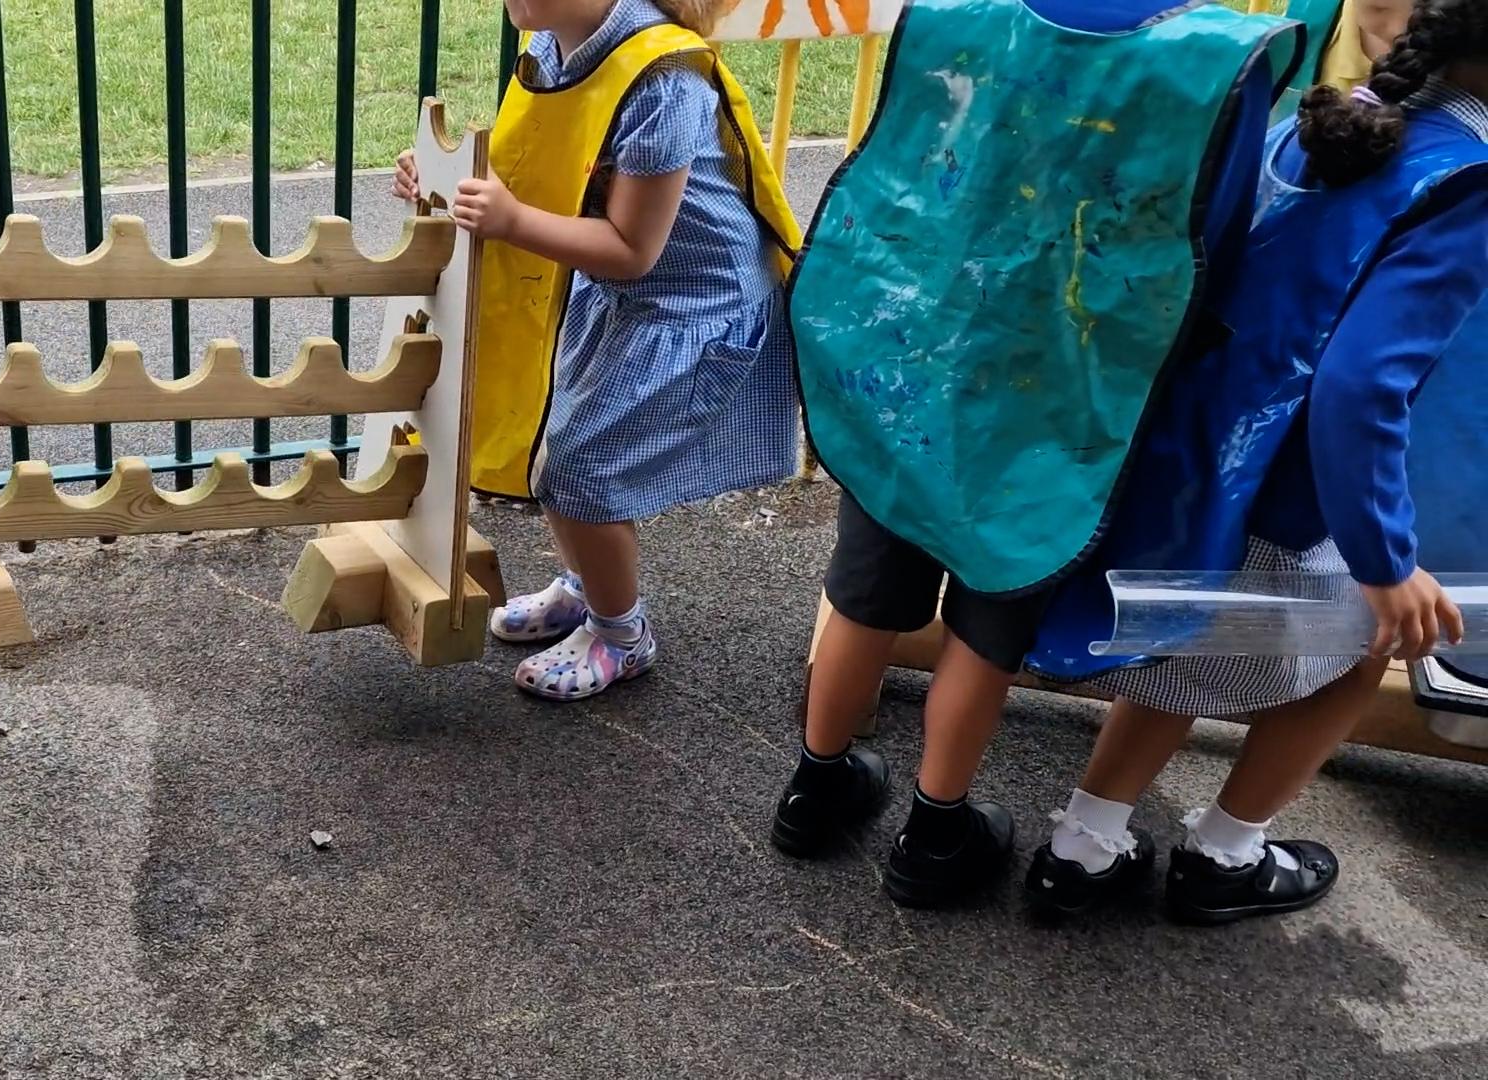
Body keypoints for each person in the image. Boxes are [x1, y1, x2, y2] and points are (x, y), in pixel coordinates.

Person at [772, 0, 1299, 908]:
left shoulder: (951, 13)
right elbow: (1215, 238)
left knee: (865, 585)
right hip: (1064, 402)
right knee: (990, 618)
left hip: (918, 370)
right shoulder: (1217, 57)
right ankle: (934, 836)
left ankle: (814, 790)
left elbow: (899, 175)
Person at [1023, 0, 1488, 925]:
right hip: (1276, 495)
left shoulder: (1327, 121)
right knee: (1363, 646)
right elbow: (1360, 389)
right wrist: (1386, 564)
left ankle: (1081, 849)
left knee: (1200, 642)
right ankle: (1226, 857)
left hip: (1182, 460)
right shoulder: (1466, 183)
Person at [394, 0, 803, 702]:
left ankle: (622, 634)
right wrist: (446, 187)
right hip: (616, 295)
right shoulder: (557, 46)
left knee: (582, 468)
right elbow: (548, 173)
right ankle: (588, 585)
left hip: (691, 309)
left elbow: (632, 249)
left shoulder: (662, 81)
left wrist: (511, 219)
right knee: (557, 446)